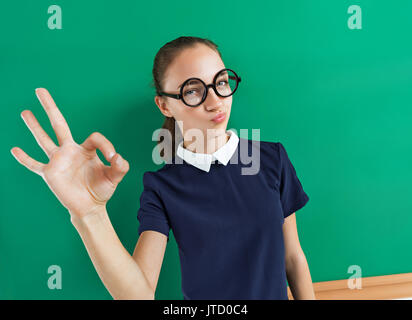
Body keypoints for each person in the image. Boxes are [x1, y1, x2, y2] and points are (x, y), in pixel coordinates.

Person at [10, 36, 315, 300]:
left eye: (221, 82)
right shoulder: (161, 187)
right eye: (193, 91)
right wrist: (89, 215)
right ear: (165, 105)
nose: (215, 101)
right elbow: (139, 293)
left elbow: (293, 257)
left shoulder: (271, 159)